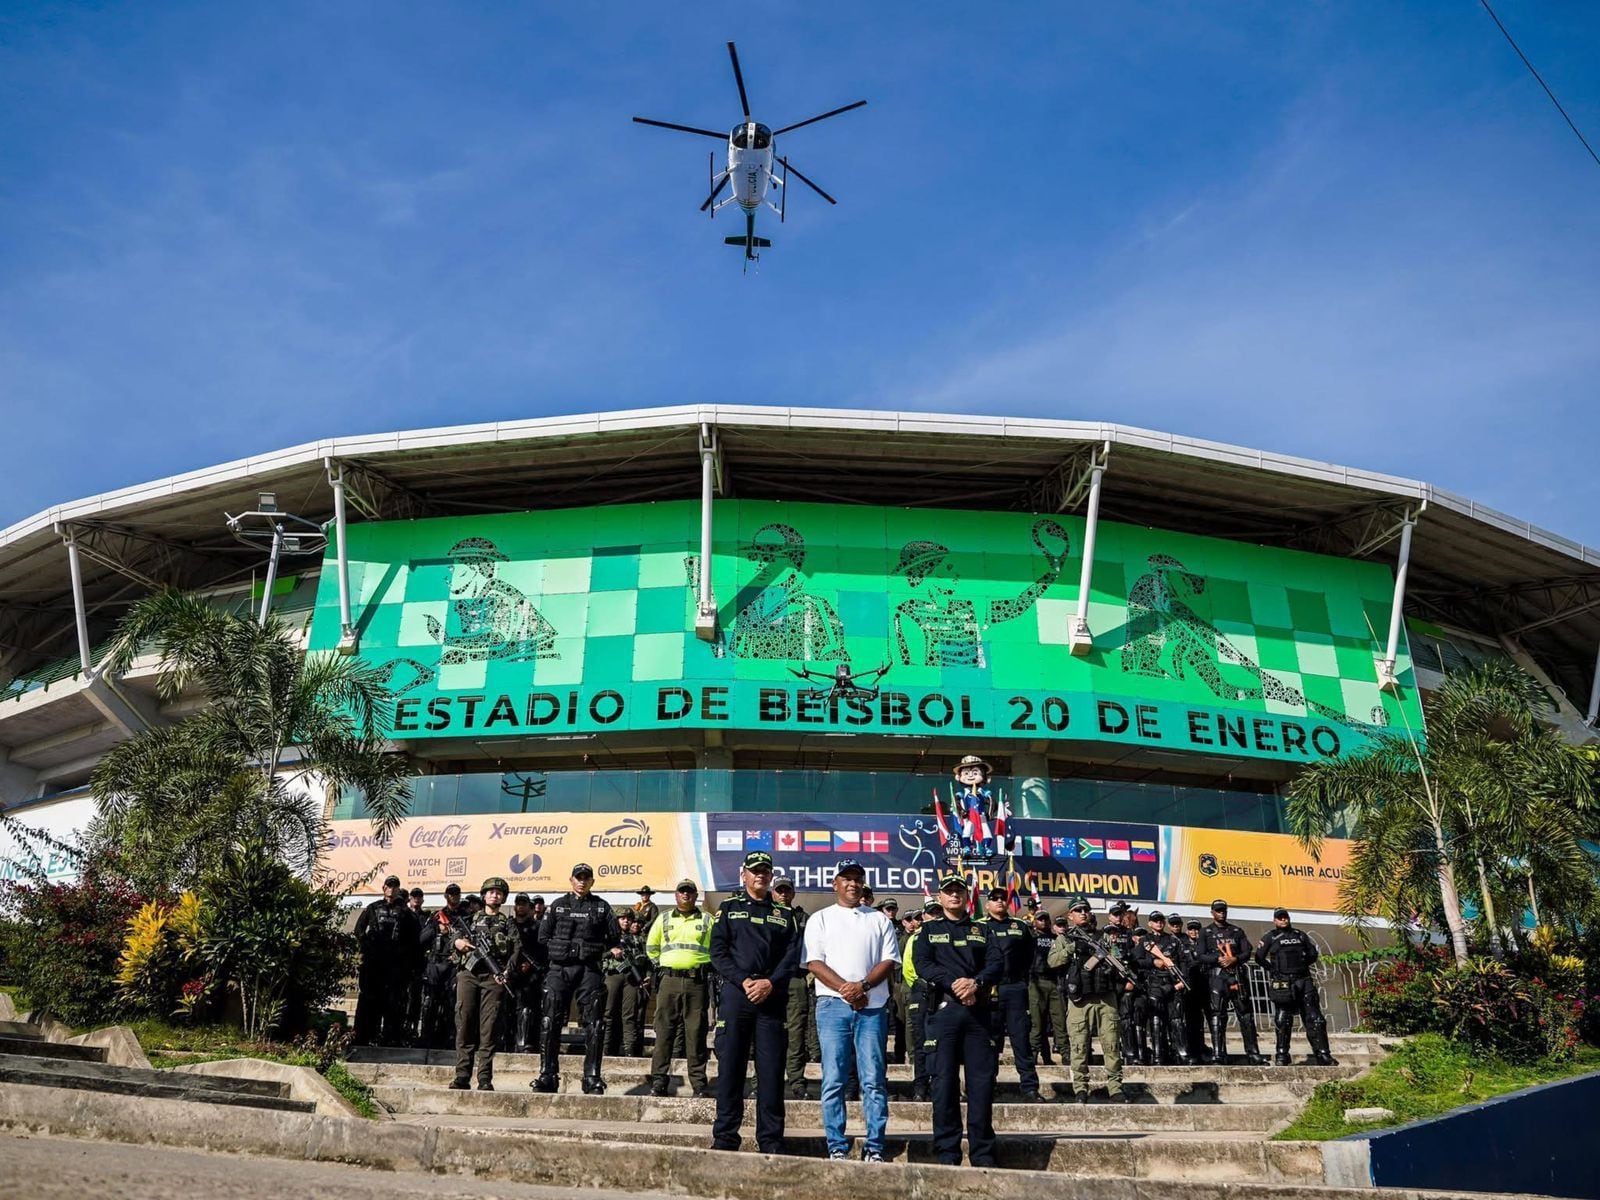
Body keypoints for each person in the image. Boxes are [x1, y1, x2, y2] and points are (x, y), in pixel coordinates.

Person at [803, 859, 900, 1163]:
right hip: (832, 1006)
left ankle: (875, 1146)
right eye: (846, 878)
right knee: (834, 1078)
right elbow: (814, 962)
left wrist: (863, 987)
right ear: (835, 883)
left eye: (858, 879)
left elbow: (888, 961)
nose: (853, 884)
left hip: (872, 1007)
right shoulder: (820, 918)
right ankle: (836, 1145)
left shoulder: (879, 919)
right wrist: (848, 989)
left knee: (873, 1079)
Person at [709, 850, 802, 1155]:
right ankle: (725, 1137)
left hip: (771, 998)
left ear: (771, 875)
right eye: (754, 870)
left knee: (772, 1073)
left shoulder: (785, 914)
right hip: (737, 995)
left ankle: (771, 1140)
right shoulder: (729, 908)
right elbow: (718, 952)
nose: (760, 875)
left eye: (765, 871)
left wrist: (769, 983)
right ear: (744, 874)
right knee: (730, 1069)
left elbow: (791, 957)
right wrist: (744, 980)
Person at [913, 873, 1003, 1167]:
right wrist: (955, 984)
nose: (954, 895)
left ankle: (982, 1154)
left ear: (967, 897)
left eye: (959, 891)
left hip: (978, 1013)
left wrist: (976, 983)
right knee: (943, 1084)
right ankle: (947, 1153)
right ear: (940, 897)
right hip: (943, 1012)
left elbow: (996, 963)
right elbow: (922, 964)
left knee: (981, 1085)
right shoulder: (929, 930)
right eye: (948, 891)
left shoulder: (983, 930)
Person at [533, 863, 621, 1095]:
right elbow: (543, 937)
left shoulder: (601, 907)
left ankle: (592, 1077)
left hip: (588, 970)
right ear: (571, 880)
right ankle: (547, 1074)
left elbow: (614, 938)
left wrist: (600, 950)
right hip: (559, 969)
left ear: (592, 882)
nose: (582, 881)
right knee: (549, 1020)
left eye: (586, 878)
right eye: (578, 877)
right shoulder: (558, 905)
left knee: (595, 1023)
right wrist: (562, 950)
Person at [1048, 897, 1126, 1103]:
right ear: (1070, 916)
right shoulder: (1065, 939)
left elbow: (1118, 959)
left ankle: (1115, 1088)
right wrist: (1072, 949)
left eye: (1086, 909)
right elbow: (1053, 961)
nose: (1083, 913)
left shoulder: (1104, 937)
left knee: (1111, 1044)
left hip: (1105, 997)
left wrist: (1112, 958)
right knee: (1079, 1046)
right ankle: (1081, 1088)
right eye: (1078, 910)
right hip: (1079, 998)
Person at [451, 876, 520, 1091]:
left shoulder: (508, 923)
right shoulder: (470, 920)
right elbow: (454, 937)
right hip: (469, 974)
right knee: (465, 1022)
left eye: (499, 893)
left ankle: (484, 1078)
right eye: (491, 892)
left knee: (489, 1028)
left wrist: (507, 971)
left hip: (493, 977)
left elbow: (516, 949)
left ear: (503, 898)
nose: (494, 895)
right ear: (483, 895)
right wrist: (458, 942)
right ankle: (462, 1076)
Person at [647, 878, 714, 1097]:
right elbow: (651, 947)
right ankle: (659, 1081)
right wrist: (662, 966)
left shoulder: (707, 919)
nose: (686, 895)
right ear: (676, 895)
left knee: (696, 1033)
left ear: (695, 896)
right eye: (682, 892)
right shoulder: (663, 918)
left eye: (690, 892)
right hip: (669, 981)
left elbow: (717, 948)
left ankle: (699, 1084)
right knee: (664, 1032)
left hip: (697, 982)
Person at [1255, 908, 1337, 1066]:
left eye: (1285, 917)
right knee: (1283, 1019)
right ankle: (1282, 1055)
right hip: (1283, 982)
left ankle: (1323, 1054)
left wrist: (1302, 965)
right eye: (1280, 918)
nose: (1283, 920)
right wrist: (1273, 970)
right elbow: (1259, 957)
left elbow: (1312, 954)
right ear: (1275, 920)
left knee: (1315, 1019)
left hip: (1303, 980)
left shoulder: (1300, 935)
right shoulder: (1270, 936)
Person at [981, 887, 1041, 1102]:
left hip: (1015, 988)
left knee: (1021, 1040)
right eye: (994, 898)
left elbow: (1030, 956)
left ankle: (1030, 1088)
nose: (999, 901)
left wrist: (1021, 981)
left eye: (1002, 898)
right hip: (988, 990)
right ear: (987, 904)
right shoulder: (979, 927)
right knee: (989, 1042)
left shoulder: (1020, 926)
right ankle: (987, 1087)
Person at [353, 874, 420, 1045]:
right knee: (369, 1000)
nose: (392, 889)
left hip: (395, 966)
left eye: (395, 886)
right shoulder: (373, 908)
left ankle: (391, 1038)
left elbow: (414, 937)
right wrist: (368, 947)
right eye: (389, 886)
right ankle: (365, 1036)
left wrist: (406, 958)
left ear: (398, 889)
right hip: (374, 964)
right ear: (384, 888)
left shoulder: (405, 912)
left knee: (394, 1002)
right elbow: (359, 930)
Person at [1199, 899, 1266, 1065]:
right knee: (1217, 1015)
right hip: (1217, 977)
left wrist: (1235, 959)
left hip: (1236, 976)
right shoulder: (1206, 932)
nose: (1221, 913)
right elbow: (1200, 955)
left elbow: (1247, 951)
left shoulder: (1236, 931)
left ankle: (1253, 1053)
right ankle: (1219, 1054)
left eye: (1223, 910)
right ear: (1212, 913)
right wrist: (1218, 959)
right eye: (1218, 910)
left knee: (1245, 1015)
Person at [774, 877, 820, 1099]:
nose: (783, 894)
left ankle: (797, 1082)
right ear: (773, 893)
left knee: (796, 1034)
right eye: (779, 890)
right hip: (771, 981)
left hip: (795, 980)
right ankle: (761, 1081)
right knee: (767, 1033)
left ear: (793, 893)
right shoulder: (765, 914)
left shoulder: (803, 919)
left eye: (787, 890)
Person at [417, 884, 466, 1048]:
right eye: (450, 894)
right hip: (436, 964)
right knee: (430, 1003)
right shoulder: (437, 916)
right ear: (446, 896)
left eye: (456, 894)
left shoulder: (466, 917)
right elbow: (422, 940)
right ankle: (426, 1038)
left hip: (454, 966)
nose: (453, 897)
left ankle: (449, 1040)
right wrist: (436, 928)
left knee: (452, 1004)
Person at [1134, 912, 1186, 1065]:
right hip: (1154, 983)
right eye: (1155, 921)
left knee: (1176, 1019)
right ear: (1149, 923)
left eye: (1161, 920)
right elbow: (1136, 961)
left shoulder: (1173, 940)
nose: (1159, 923)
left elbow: (1184, 962)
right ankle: (1158, 1055)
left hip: (1173, 982)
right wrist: (1153, 962)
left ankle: (1180, 1053)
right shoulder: (1145, 941)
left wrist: (1183, 981)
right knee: (1156, 1020)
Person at [898, 907, 932, 1101]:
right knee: (918, 1039)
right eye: (930, 914)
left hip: (943, 996)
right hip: (918, 992)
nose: (934, 917)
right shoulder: (914, 938)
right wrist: (921, 987)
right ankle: (920, 1086)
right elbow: (908, 968)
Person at [1029, 913, 1068, 1067]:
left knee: (1060, 1021)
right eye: (1040, 919)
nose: (1043, 922)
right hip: (1036, 982)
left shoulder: (1056, 938)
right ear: (1035, 922)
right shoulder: (1030, 937)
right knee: (1037, 1023)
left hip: (1054, 982)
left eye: (1046, 919)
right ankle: (1034, 1054)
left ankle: (1065, 1053)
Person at [508, 893, 545, 1052]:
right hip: (509, 974)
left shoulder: (537, 927)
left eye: (524, 904)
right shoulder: (508, 925)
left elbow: (543, 951)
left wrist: (530, 965)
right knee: (508, 1010)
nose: (521, 907)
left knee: (528, 1010)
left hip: (531, 977)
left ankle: (526, 1044)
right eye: (519, 904)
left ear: (530, 908)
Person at [876, 897, 904, 1063]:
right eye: (888, 909)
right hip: (880, 971)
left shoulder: (901, 926)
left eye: (893, 909)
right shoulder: (877, 924)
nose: (891, 912)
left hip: (897, 971)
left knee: (896, 1006)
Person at [1182, 918, 1211, 1061]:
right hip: (1190, 986)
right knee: (1192, 1020)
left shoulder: (1206, 944)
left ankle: (1204, 1048)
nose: (1194, 932)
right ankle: (1193, 1049)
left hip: (1205, 984)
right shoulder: (1183, 945)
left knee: (1207, 1018)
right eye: (1191, 929)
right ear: (1187, 931)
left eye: (1197, 929)